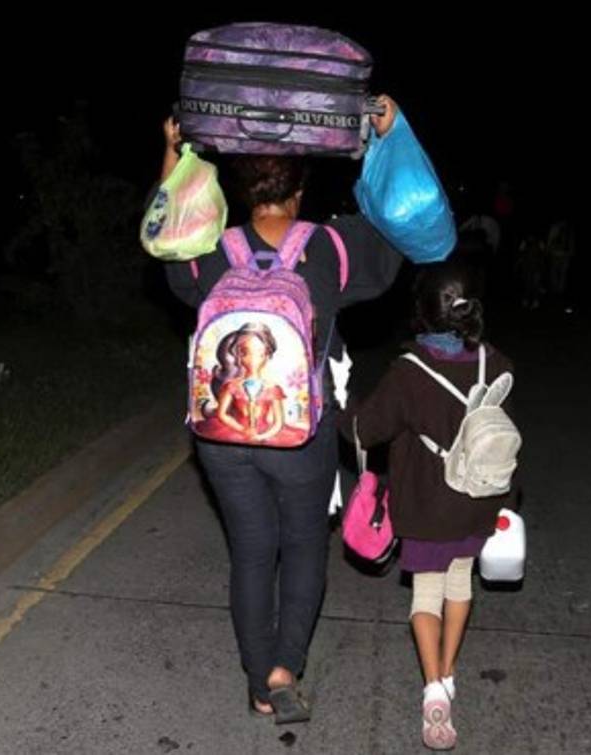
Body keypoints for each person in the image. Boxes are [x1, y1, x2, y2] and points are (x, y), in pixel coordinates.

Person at [154, 95, 407, 723]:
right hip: (301, 432)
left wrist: (173, 151)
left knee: (249, 550)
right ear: (301, 189)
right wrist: (386, 139)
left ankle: (256, 682)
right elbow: (401, 232)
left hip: (221, 432)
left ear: (239, 191)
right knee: (301, 548)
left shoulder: (206, 245)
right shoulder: (334, 246)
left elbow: (162, 233)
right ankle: (284, 667)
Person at [340, 261, 519, 750]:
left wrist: (341, 402)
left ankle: (434, 688)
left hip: (425, 504)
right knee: (461, 583)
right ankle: (449, 673)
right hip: (477, 500)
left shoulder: (409, 372)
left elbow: (366, 430)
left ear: (421, 313)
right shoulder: (496, 364)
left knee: (426, 595)